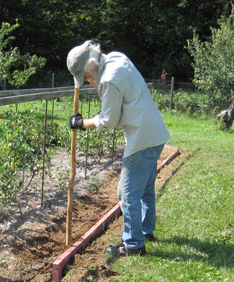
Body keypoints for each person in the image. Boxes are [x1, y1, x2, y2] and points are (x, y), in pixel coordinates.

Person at [67, 40, 170, 256]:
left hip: (141, 139)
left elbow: (108, 121)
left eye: (86, 77)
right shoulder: (116, 57)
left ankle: (133, 245)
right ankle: (146, 231)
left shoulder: (108, 80)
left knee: (128, 194)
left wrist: (81, 123)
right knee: (146, 190)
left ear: (92, 67)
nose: (88, 82)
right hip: (155, 133)